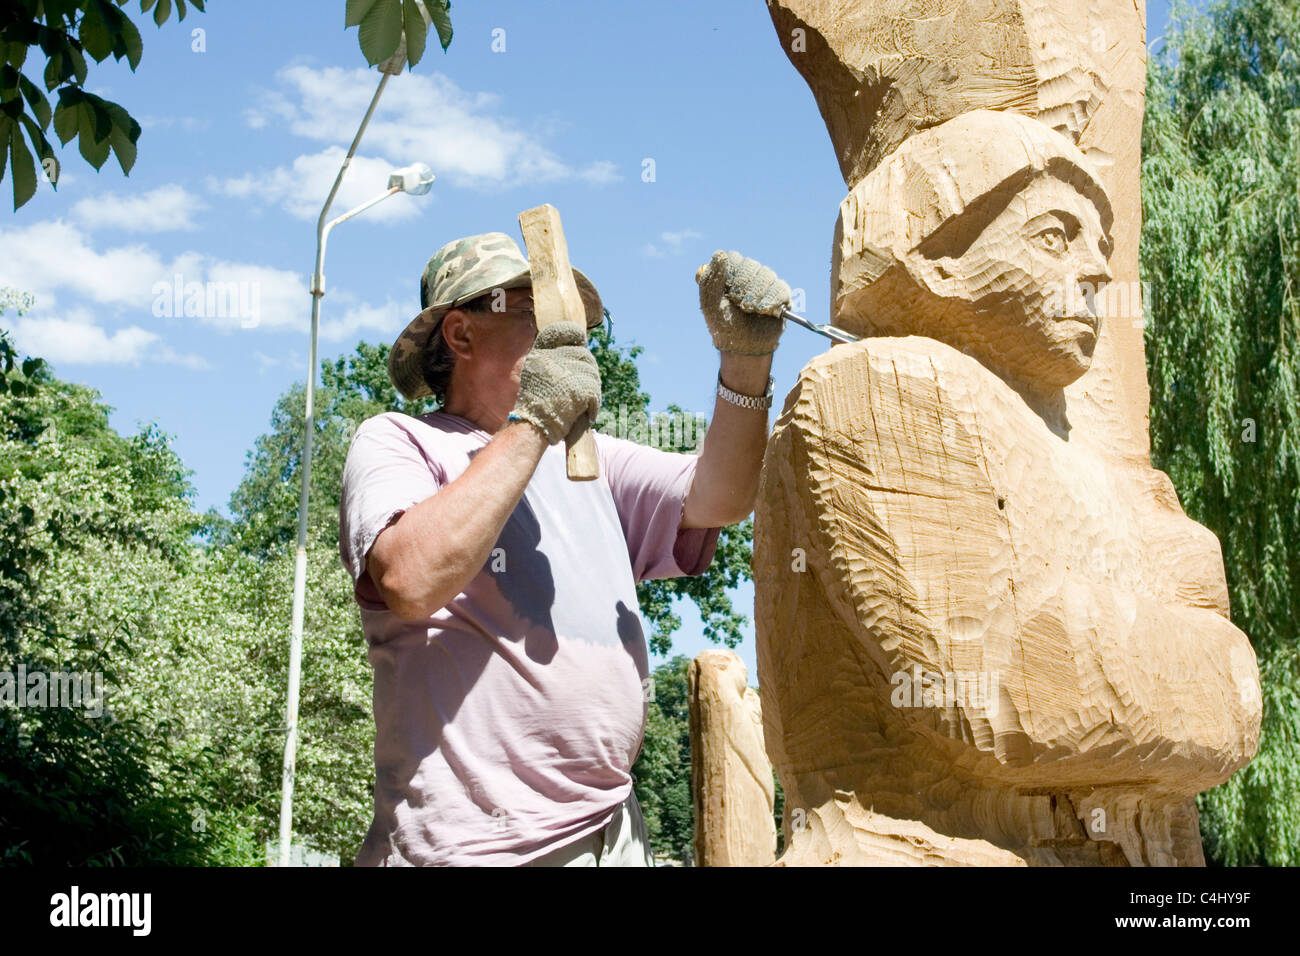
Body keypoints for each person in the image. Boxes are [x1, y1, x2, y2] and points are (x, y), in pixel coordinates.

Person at [338, 232, 792, 865]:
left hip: (611, 829)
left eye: (571, 323)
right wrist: (535, 422)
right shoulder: (399, 441)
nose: (567, 339)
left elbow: (722, 496)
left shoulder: (590, 461)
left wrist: (745, 364)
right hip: (480, 845)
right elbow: (410, 580)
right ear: (461, 335)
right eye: (534, 312)